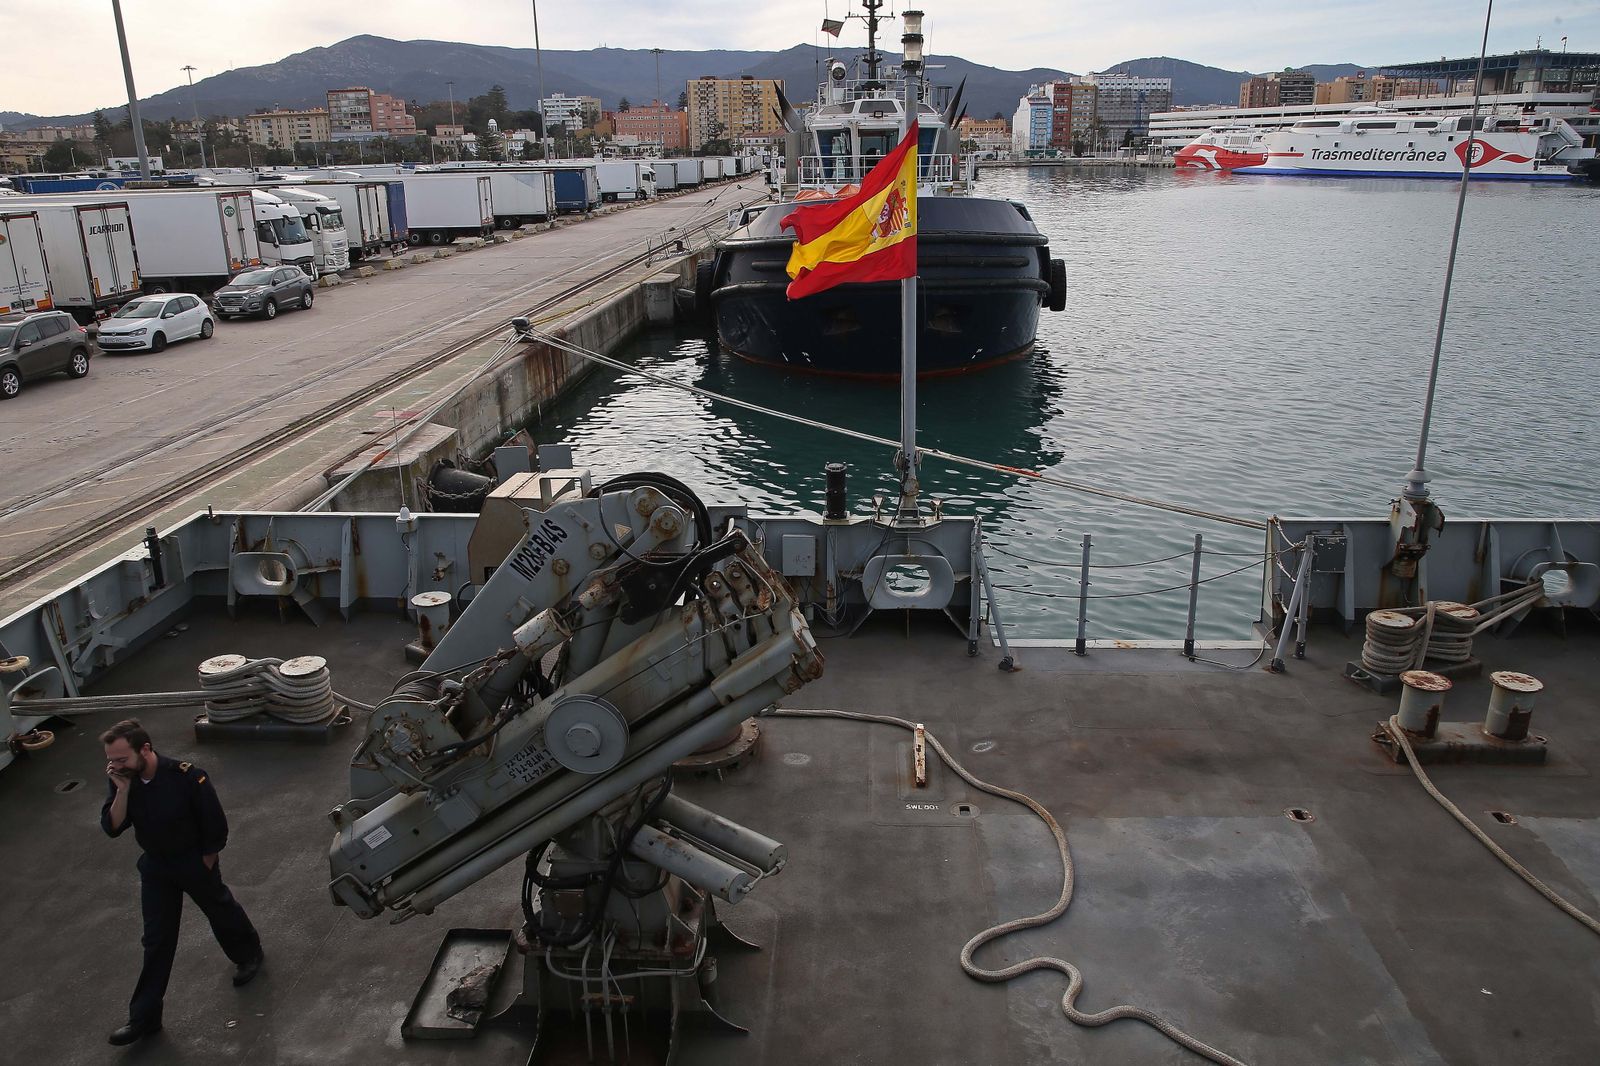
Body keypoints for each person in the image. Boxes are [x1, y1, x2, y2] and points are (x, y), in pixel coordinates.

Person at [99, 718, 264, 1046]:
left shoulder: (187, 776)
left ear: (145, 749)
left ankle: (249, 954)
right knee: (156, 940)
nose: (115, 766)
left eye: (122, 759)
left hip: (191, 859)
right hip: (157, 867)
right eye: (111, 760)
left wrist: (206, 859)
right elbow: (112, 827)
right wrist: (122, 790)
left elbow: (214, 822)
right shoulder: (124, 780)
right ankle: (144, 1017)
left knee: (218, 908)